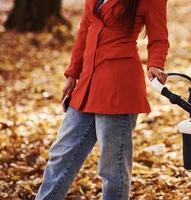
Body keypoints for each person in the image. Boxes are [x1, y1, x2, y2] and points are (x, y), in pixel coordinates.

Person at [35, 0, 169, 199]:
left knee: (112, 167)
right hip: (87, 83)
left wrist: (155, 64)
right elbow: (85, 30)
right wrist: (73, 73)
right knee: (61, 154)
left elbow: (159, 38)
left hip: (118, 86)